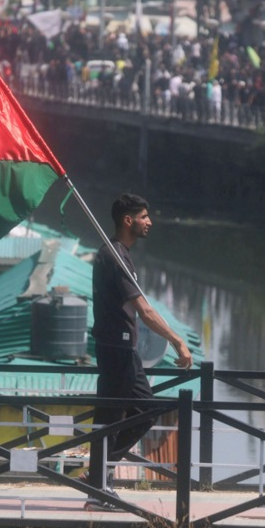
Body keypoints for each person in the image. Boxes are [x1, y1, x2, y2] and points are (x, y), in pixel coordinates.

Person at [86, 194, 193, 511]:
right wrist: (177, 341)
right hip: (117, 348)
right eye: (144, 216)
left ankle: (99, 478)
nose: (150, 222)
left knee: (144, 409)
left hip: (122, 348)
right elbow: (144, 311)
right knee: (111, 418)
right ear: (128, 220)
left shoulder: (118, 254)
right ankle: (98, 489)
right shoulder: (115, 257)